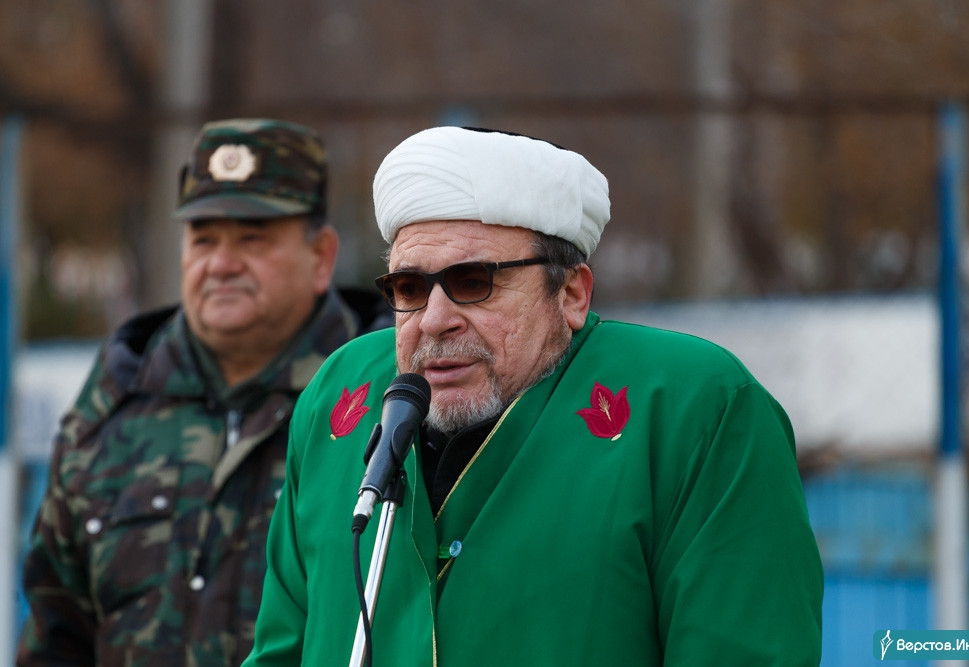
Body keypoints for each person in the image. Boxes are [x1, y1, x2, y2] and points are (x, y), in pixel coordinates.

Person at [244, 126, 824, 666]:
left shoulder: (694, 407)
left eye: (474, 282)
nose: (434, 320)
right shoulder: (339, 395)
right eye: (410, 287)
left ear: (571, 294)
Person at [17, 118, 392, 666]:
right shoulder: (111, 406)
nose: (221, 264)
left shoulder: (383, 404)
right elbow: (55, 630)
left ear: (321, 257)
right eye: (203, 238)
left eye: (252, 239)